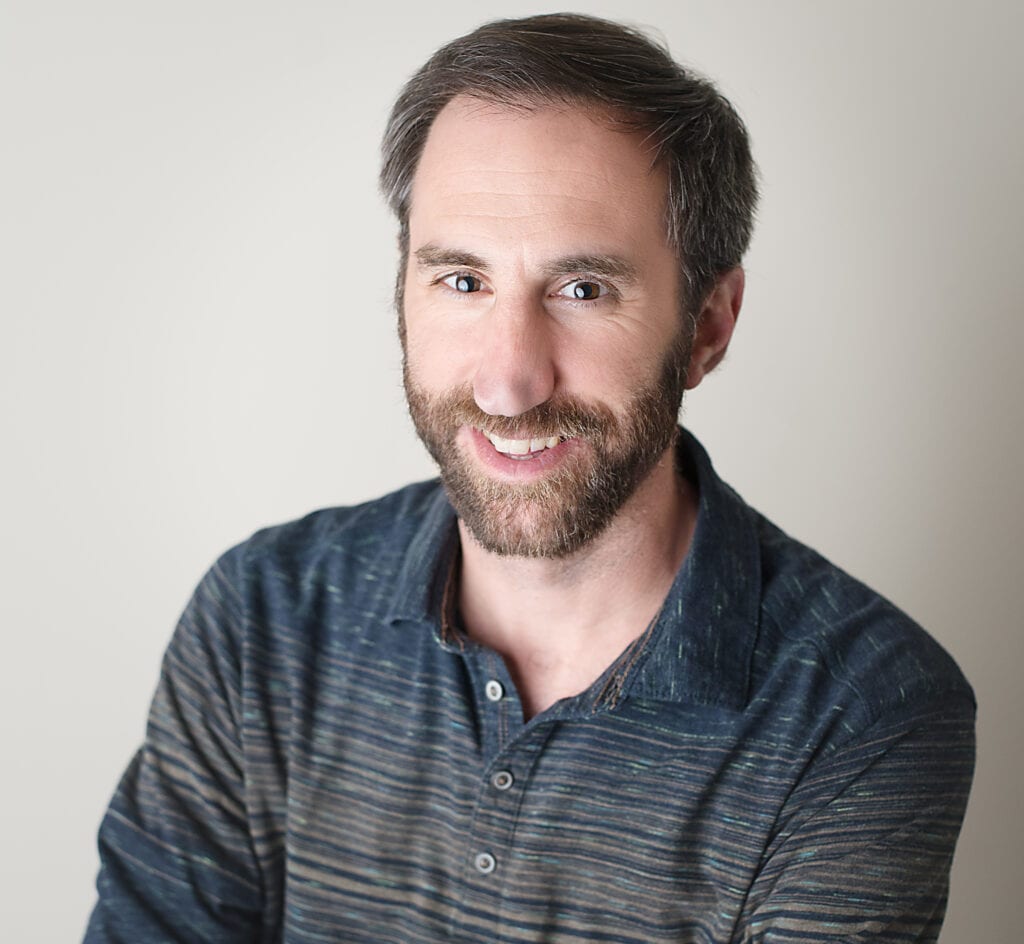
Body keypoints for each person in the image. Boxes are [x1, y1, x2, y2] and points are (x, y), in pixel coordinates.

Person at [84, 13, 975, 943]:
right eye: (461, 282)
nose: (509, 382)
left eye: (583, 290)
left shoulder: (865, 710)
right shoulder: (262, 618)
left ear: (708, 324)